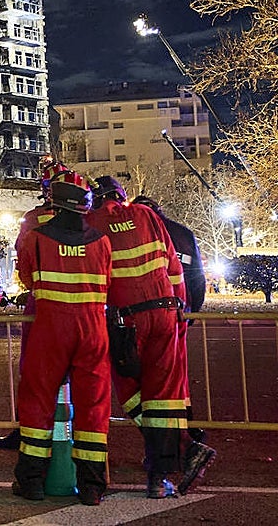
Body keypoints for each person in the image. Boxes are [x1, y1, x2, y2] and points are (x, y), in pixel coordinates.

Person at [12, 171, 114, 506]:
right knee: (94, 405)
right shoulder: (101, 240)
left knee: (37, 401)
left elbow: (27, 278)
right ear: (85, 204)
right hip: (92, 328)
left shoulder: (36, 238)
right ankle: (92, 486)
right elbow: (108, 281)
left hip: (50, 326)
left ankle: (31, 481)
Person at [87, 176, 187, 499]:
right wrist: (179, 317)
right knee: (164, 395)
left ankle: (174, 446)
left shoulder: (92, 222)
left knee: (129, 389)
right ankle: (159, 478)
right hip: (164, 313)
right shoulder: (148, 217)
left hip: (124, 320)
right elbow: (175, 271)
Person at [132, 194, 216, 492]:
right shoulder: (182, 233)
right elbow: (196, 280)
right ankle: (181, 444)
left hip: (148, 320)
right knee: (173, 389)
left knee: (145, 389)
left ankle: (175, 448)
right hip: (177, 317)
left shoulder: (141, 232)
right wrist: (190, 315)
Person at [0, 161, 68, 451]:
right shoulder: (87, 220)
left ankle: (28, 431)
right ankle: (70, 432)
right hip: (83, 305)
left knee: (33, 371)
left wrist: (33, 287)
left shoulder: (33, 219)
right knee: (82, 373)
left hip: (41, 304)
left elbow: (22, 263)